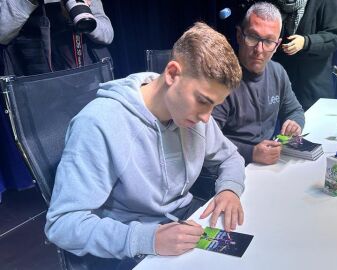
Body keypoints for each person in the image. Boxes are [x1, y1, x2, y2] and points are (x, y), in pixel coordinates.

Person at [44, 22, 245, 268]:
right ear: (172, 74)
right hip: (129, 242)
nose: (206, 117)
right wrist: (145, 239)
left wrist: (229, 189)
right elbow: (62, 224)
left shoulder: (195, 116)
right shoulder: (98, 124)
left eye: (214, 105)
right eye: (203, 101)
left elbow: (230, 157)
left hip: (184, 221)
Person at [212, 2, 305, 165]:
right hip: (227, 166)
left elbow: (295, 110)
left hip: (264, 165)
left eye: (269, 41)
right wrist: (251, 153)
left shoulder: (278, 72)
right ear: (240, 36)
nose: (259, 49)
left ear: (277, 45)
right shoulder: (221, 78)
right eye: (253, 37)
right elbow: (208, 139)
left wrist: (295, 122)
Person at [0, 0, 113, 75]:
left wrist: (83, 16)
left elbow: (107, 35)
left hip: (86, 82)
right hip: (35, 87)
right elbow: (2, 35)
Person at [273, 0, 337, 110]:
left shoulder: (324, 2)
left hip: (312, 89)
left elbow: (335, 37)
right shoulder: (276, 3)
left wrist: (306, 42)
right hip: (281, 85)